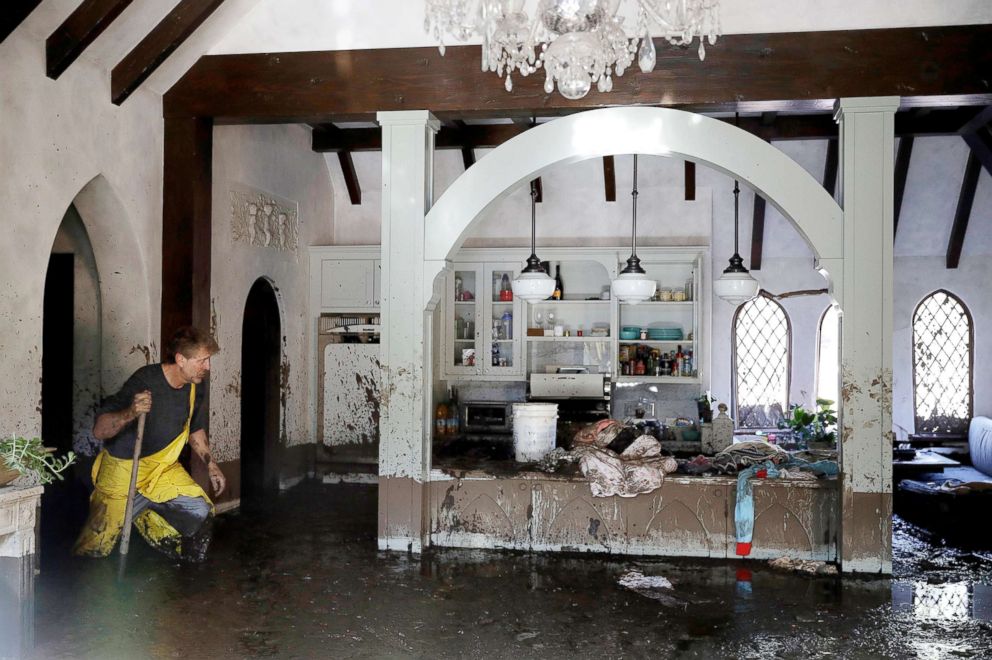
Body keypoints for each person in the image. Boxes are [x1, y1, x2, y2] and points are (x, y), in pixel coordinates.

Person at [73, 326, 226, 562]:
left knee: (200, 511)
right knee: (96, 548)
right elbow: (100, 430)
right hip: (124, 471)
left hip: (161, 470)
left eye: (208, 360)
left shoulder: (196, 385)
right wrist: (132, 411)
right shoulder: (145, 380)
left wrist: (211, 465)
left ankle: (181, 565)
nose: (208, 367)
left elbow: (194, 427)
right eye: (202, 360)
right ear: (180, 359)